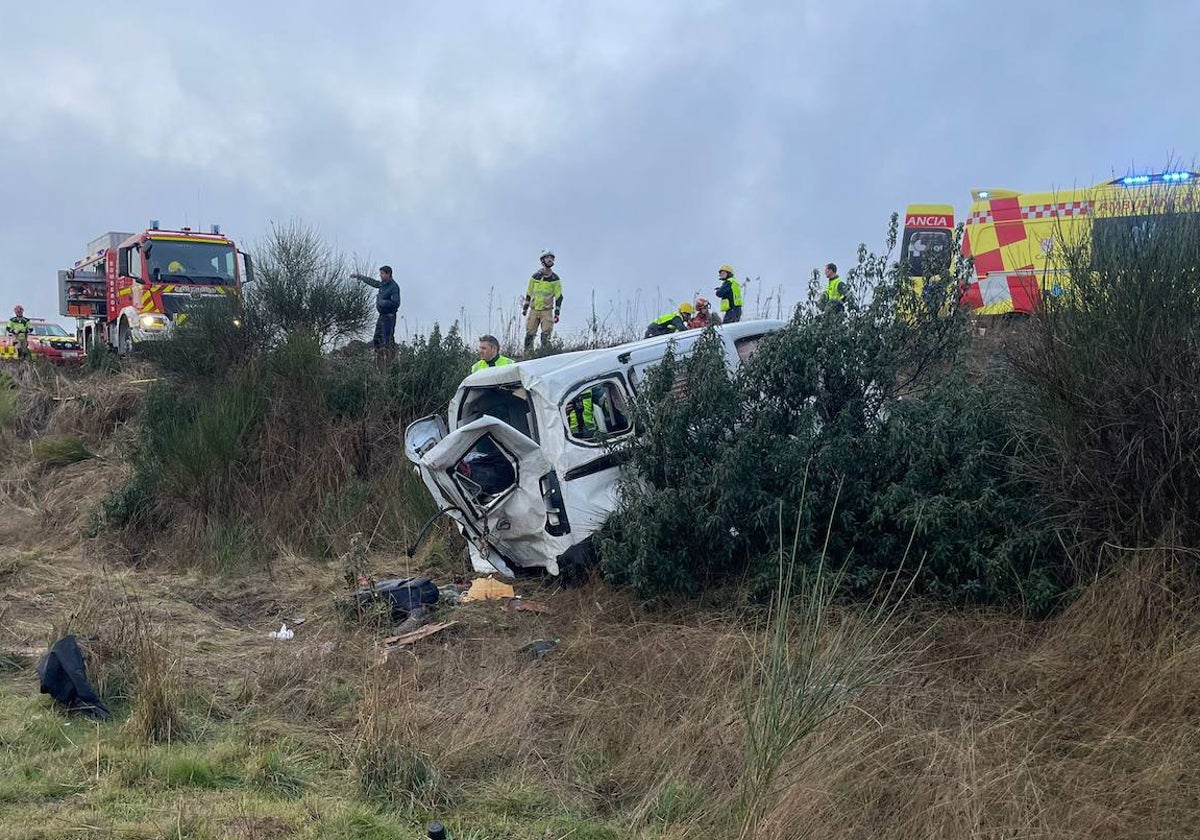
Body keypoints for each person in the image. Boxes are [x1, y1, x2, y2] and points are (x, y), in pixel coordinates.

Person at [352, 265, 401, 365]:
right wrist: (360, 277)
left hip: (389, 316)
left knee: (387, 339)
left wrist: (383, 302)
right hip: (382, 316)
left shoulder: (394, 287)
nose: (380, 275)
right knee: (377, 338)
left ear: (388, 274)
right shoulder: (383, 284)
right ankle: (379, 360)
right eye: (380, 273)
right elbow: (374, 283)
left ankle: (391, 362)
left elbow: (396, 303)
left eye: (382, 273)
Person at [522, 249, 562, 353]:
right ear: (542, 260)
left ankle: (544, 355)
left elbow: (559, 297)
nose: (550, 260)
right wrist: (525, 308)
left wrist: (557, 313)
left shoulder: (555, 279)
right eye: (547, 258)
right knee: (529, 335)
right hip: (534, 310)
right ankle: (527, 356)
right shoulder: (535, 277)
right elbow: (529, 293)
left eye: (551, 258)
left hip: (547, 311)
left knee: (546, 336)